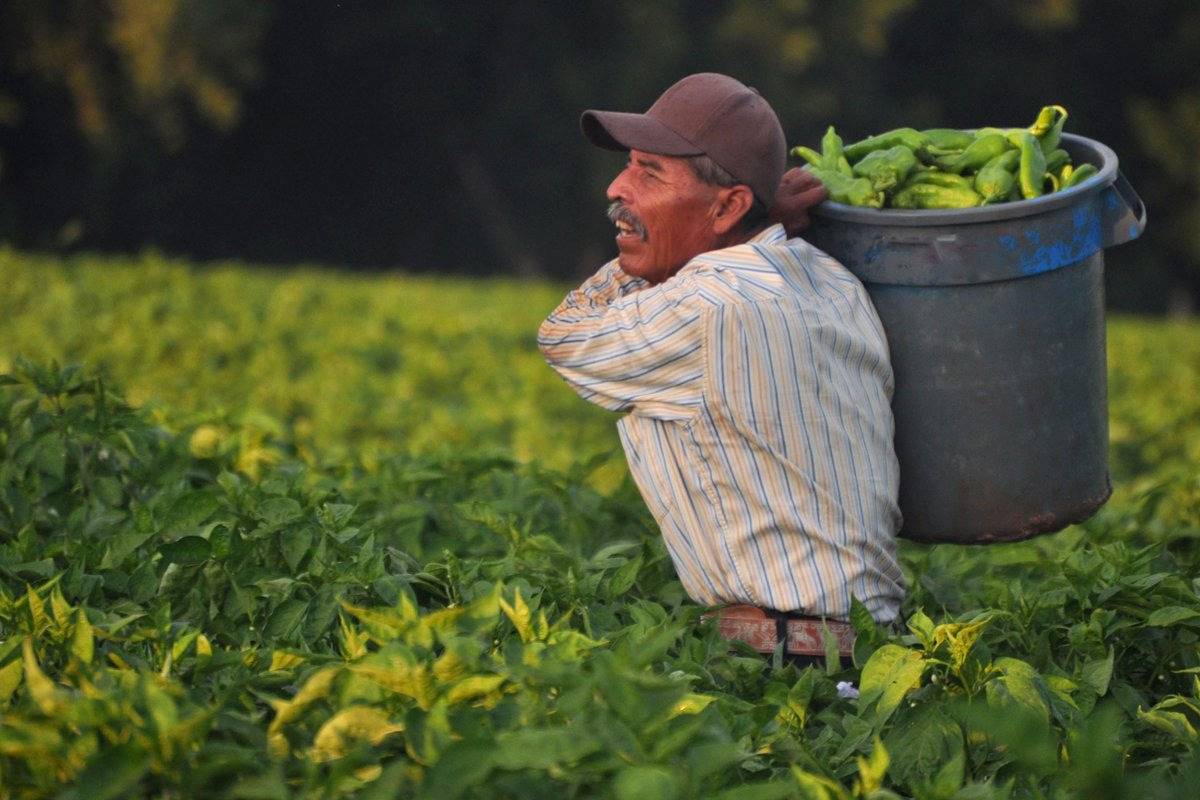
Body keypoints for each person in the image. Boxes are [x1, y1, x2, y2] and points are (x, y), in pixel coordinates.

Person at [537, 73, 905, 668]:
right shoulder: (829, 276)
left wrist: (655, 254)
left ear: (730, 205)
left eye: (650, 172)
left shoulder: (711, 305)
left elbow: (564, 335)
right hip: (870, 650)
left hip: (789, 660)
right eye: (629, 165)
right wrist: (742, 224)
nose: (617, 187)